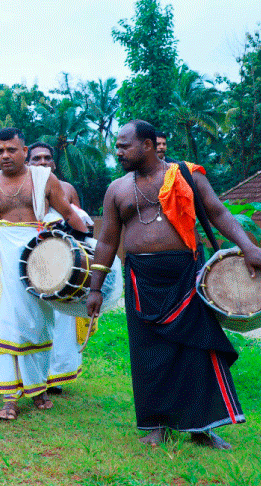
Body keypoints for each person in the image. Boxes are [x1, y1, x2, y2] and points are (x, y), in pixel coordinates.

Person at [87, 120, 261, 450]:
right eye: (118, 146)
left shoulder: (186, 175)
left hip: (187, 276)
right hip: (140, 279)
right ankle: (156, 426)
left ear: (149, 145)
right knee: (148, 355)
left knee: (196, 351)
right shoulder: (117, 189)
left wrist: (249, 247)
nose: (119, 151)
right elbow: (107, 240)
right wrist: (96, 288)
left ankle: (203, 428)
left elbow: (218, 213)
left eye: (125, 145)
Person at [0, 128, 88, 420]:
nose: (5, 155)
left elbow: (68, 213)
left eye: (11, 150)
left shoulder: (43, 179)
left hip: (39, 259)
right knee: (7, 324)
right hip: (4, 263)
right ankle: (10, 397)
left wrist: (91, 247)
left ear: (24, 151)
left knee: (37, 324)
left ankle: (38, 389)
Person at [27, 142, 94, 393]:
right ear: (29, 163)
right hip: (32, 263)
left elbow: (81, 222)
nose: (43, 163)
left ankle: (57, 376)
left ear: (53, 163)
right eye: (37, 159)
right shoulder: (21, 188)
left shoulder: (66, 189)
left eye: (47, 158)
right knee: (35, 318)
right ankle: (34, 374)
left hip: (64, 262)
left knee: (63, 320)